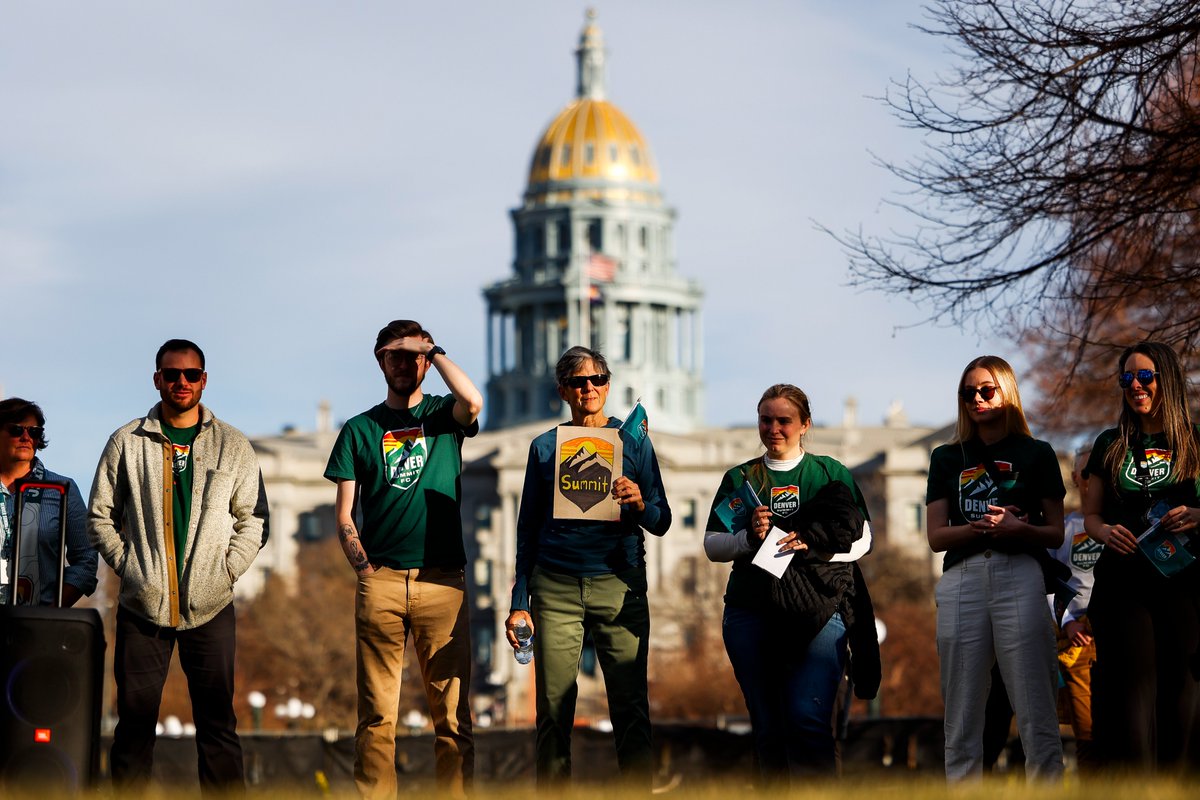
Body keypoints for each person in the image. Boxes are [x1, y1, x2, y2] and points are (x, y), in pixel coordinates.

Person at [88, 339, 269, 791]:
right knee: (133, 725)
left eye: (191, 374)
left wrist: (227, 571)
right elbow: (100, 516)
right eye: (172, 374)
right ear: (157, 380)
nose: (181, 382)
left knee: (218, 725)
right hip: (142, 606)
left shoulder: (233, 444)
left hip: (211, 606)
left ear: (204, 380)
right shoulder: (126, 441)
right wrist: (131, 567)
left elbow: (254, 519)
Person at [324, 319, 482, 799]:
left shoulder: (442, 415)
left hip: (442, 580)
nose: (404, 363)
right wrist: (365, 570)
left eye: (413, 356)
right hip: (383, 582)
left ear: (427, 362)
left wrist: (432, 350)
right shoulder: (359, 429)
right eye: (394, 354)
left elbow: (473, 401)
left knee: (452, 716)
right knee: (376, 716)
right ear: (380, 361)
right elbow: (345, 513)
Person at [503, 346, 671, 788]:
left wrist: (639, 504)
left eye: (597, 379)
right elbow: (527, 530)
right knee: (552, 709)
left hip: (619, 585)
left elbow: (662, 520)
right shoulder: (544, 448)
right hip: (556, 587)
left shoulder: (632, 443)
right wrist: (520, 602)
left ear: (608, 386)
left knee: (630, 706)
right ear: (563, 390)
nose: (589, 388)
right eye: (578, 382)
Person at [703, 383, 873, 781]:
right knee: (768, 726)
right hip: (750, 610)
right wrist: (749, 538)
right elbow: (712, 545)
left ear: (805, 424)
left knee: (807, 718)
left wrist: (814, 546)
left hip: (818, 610)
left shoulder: (829, 472)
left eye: (784, 420)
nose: (774, 429)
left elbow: (864, 539)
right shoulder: (741, 477)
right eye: (766, 420)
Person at [925, 355, 1064, 782]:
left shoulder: (1037, 453)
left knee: (1035, 702)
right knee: (962, 709)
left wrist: (1019, 529)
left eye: (987, 390)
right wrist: (978, 528)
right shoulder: (946, 457)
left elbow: (1056, 532)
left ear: (1008, 392)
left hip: (1019, 573)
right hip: (962, 578)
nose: (977, 399)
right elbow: (936, 537)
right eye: (968, 393)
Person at [1083, 341, 1200, 771]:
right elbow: (1091, 516)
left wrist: (1197, 515)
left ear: (1166, 380)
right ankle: (1136, 782)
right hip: (1124, 585)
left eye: (1145, 376)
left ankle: (1181, 782)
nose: (1135, 385)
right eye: (1127, 377)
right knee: (1132, 687)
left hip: (1185, 582)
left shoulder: (1195, 440)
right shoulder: (1110, 443)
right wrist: (1105, 531)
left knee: (1183, 683)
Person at [0, 398, 97, 607]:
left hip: (37, 618)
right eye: (16, 430)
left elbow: (86, 560)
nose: (26, 437)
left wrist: (53, 610)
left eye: (34, 432)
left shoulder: (62, 489)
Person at [1049, 444, 1102, 769]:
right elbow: (1047, 583)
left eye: (1102, 473)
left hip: (1119, 631)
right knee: (1087, 734)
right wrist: (1067, 621)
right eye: (1087, 472)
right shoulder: (1063, 530)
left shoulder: (1127, 524)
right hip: (1077, 638)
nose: (1094, 479)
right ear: (1075, 478)